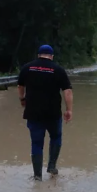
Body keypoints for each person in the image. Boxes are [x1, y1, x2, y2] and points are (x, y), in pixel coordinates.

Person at [17, 45, 73, 179]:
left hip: (33, 112)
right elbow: (68, 91)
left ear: (38, 55)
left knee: (36, 143)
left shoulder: (27, 67)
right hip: (53, 113)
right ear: (51, 56)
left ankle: (37, 175)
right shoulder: (58, 70)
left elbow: (20, 86)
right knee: (56, 137)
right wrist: (69, 110)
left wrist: (22, 99)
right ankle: (51, 166)